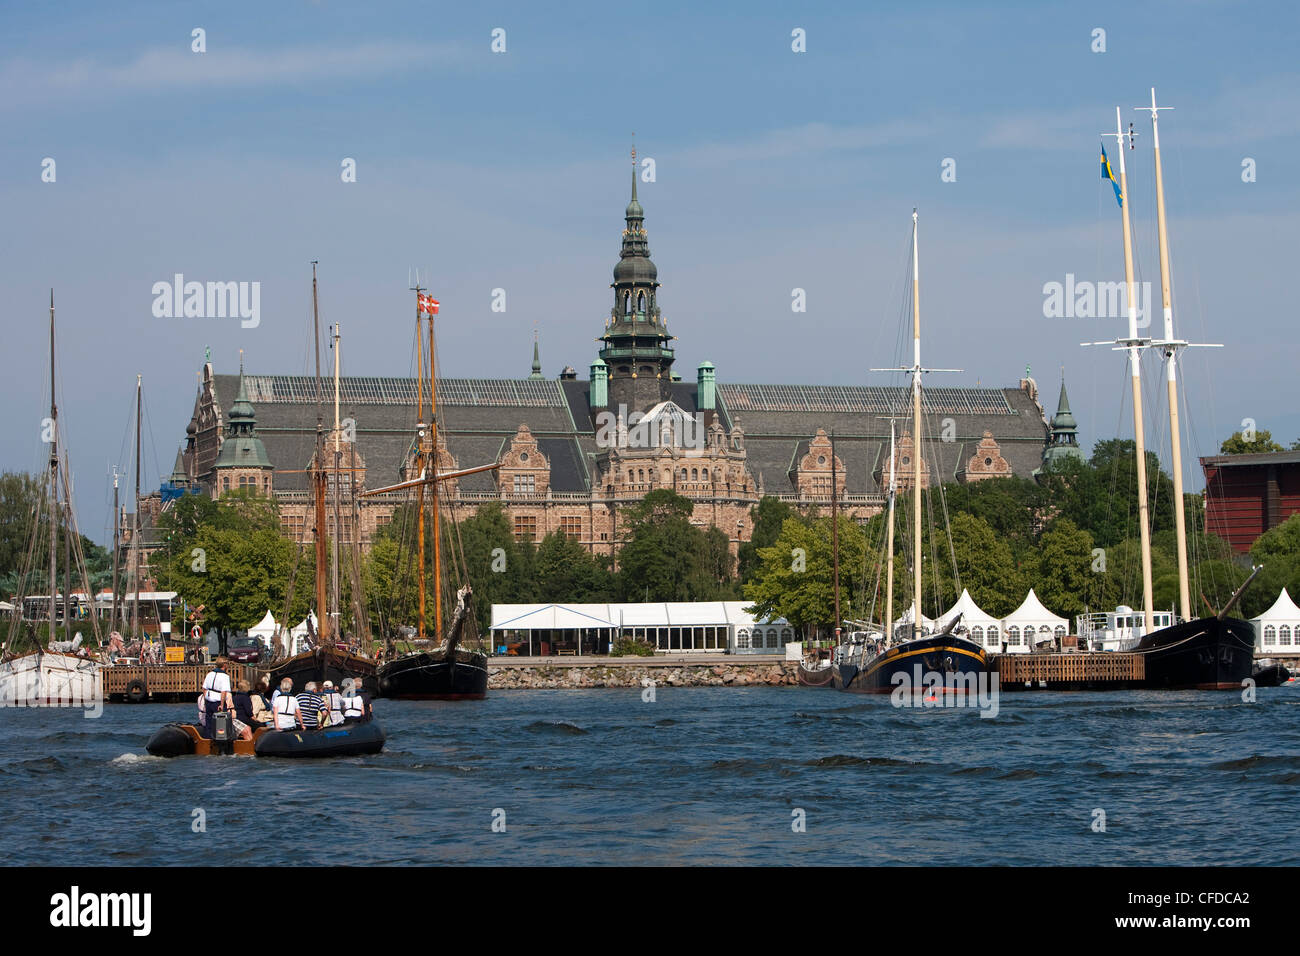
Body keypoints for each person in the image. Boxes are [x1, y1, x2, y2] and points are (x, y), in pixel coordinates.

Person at [200, 660, 234, 728]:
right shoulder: (225, 676)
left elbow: (204, 688)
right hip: (218, 701)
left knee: (209, 721)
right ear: (224, 665)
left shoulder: (209, 674)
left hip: (208, 700)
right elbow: (223, 691)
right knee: (220, 723)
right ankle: (219, 737)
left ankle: (208, 736)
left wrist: (206, 699)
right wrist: (221, 704)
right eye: (227, 664)